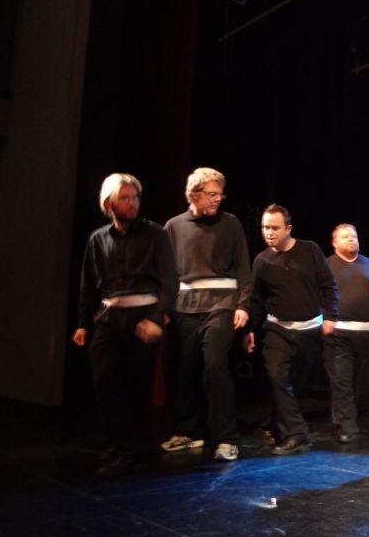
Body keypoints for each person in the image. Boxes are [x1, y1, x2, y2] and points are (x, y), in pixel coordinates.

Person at [72, 173, 178, 476]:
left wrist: (157, 318)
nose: (132, 203)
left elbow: (170, 280)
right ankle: (125, 444)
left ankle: (129, 449)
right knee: (104, 380)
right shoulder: (98, 239)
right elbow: (88, 284)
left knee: (136, 385)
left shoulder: (156, 235)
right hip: (109, 317)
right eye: (125, 198)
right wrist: (82, 322)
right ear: (109, 203)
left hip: (144, 316)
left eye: (135, 198)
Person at [160, 167, 251, 461]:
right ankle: (188, 431)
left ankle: (225, 437)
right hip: (184, 307)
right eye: (212, 194)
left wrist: (243, 305)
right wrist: (164, 309)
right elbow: (166, 273)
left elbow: (243, 268)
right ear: (194, 194)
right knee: (183, 370)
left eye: (220, 194)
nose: (217, 199)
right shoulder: (174, 226)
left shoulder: (231, 223)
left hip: (221, 304)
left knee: (215, 367)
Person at [244, 204, 338, 456]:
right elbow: (255, 300)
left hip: (309, 330)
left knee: (292, 385)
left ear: (288, 228)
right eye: (265, 227)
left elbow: (328, 285)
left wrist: (331, 316)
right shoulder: (262, 260)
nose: (269, 232)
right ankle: (297, 435)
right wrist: (250, 329)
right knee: (277, 376)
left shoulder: (310, 250)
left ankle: (274, 422)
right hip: (277, 329)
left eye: (274, 228)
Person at [324, 224, 369, 443]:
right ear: (334, 242)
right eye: (345, 237)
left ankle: (347, 414)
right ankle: (347, 426)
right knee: (342, 379)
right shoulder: (325, 266)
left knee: (367, 378)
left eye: (354, 236)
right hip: (338, 332)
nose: (351, 239)